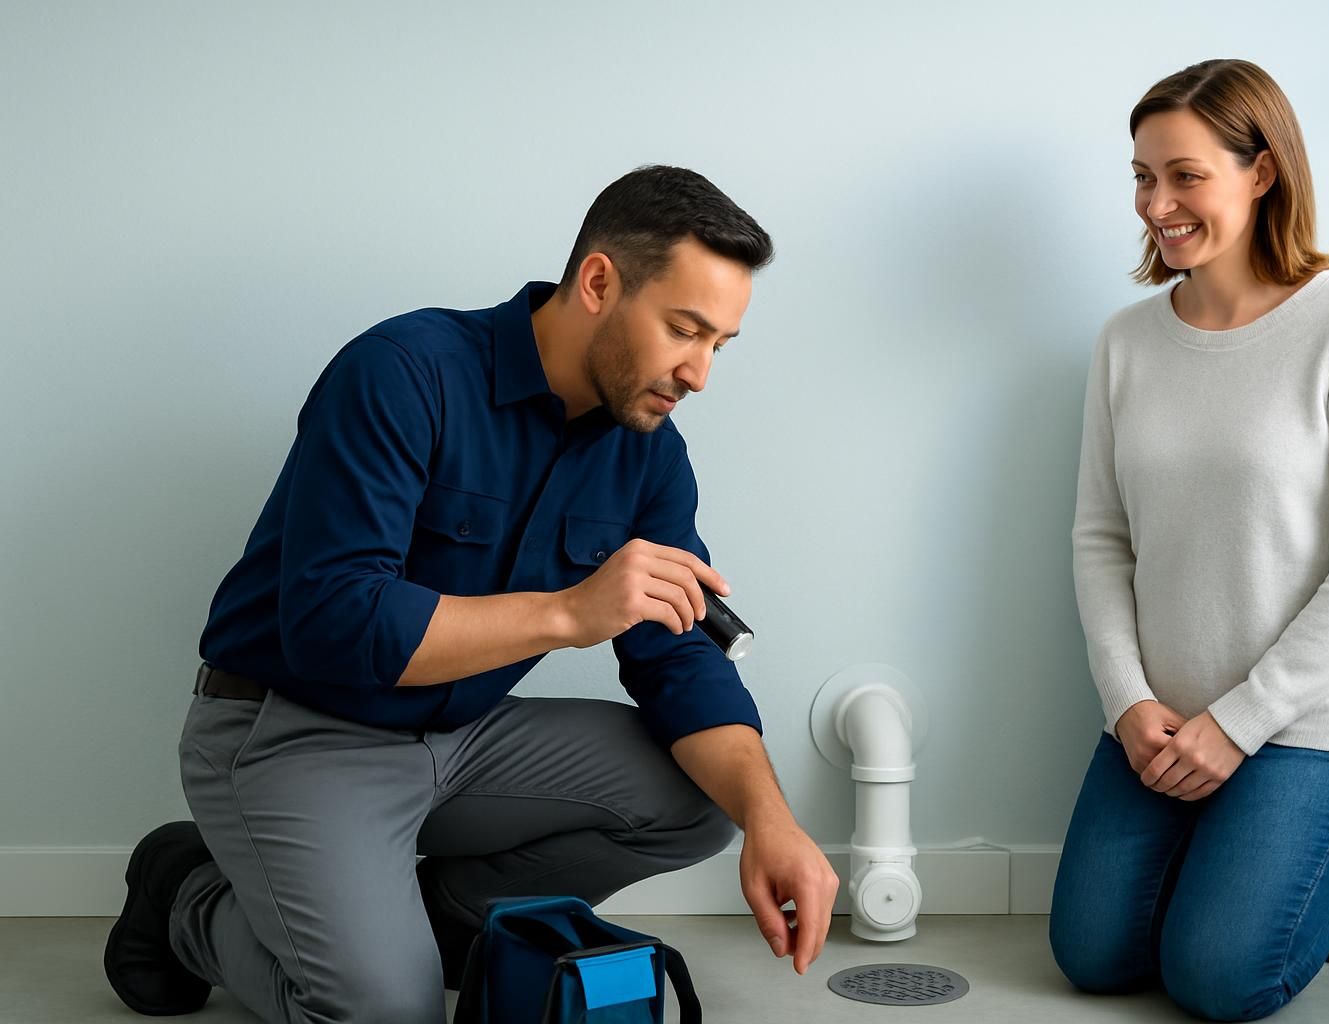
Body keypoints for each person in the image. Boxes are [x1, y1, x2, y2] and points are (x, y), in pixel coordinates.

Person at [103, 165, 841, 1022]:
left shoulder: (649, 453)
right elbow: (335, 624)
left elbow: (677, 653)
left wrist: (770, 820)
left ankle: (449, 924)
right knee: (387, 1012)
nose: (700, 373)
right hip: (294, 731)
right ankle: (189, 898)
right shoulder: (402, 373)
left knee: (703, 798)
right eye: (685, 330)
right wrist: (570, 613)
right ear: (599, 282)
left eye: (720, 344)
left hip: (463, 737)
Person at [1049, 60, 1329, 1022]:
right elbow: (1100, 538)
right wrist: (1128, 700)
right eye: (1141, 176)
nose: (1157, 203)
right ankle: (1236, 853)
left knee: (1217, 980)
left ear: (1262, 174)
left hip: (1311, 719)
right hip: (1162, 722)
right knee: (1091, 956)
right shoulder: (1126, 343)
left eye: (1184, 175)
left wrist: (1243, 722)